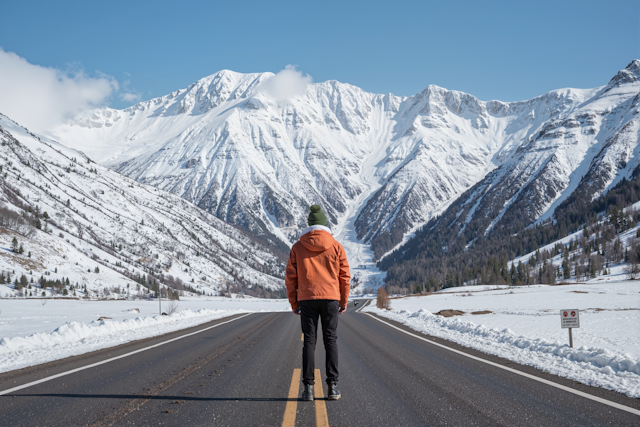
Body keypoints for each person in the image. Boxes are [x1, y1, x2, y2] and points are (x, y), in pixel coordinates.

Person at [285, 204, 351, 401]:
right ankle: (333, 387)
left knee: (309, 342)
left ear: (309, 225)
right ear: (324, 224)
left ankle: (309, 389)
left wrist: (294, 302)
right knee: (330, 339)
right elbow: (345, 276)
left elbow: (290, 278)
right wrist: (343, 300)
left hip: (307, 299)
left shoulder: (297, 248)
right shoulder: (336, 246)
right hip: (331, 298)